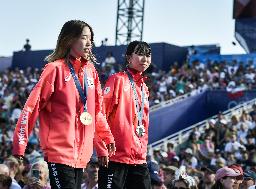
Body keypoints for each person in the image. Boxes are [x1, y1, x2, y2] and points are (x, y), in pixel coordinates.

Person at [12, 20, 115, 189]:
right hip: (59, 153)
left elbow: (96, 113)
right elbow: (32, 107)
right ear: (69, 40)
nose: (89, 42)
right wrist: (20, 144)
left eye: (91, 38)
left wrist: (104, 142)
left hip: (82, 156)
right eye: (84, 37)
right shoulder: (54, 69)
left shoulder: (91, 72)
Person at [97, 41, 152, 189]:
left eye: (148, 55)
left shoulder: (144, 88)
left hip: (139, 158)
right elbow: (100, 114)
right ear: (129, 58)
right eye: (140, 54)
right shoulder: (117, 80)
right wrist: (102, 148)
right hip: (115, 158)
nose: (145, 59)